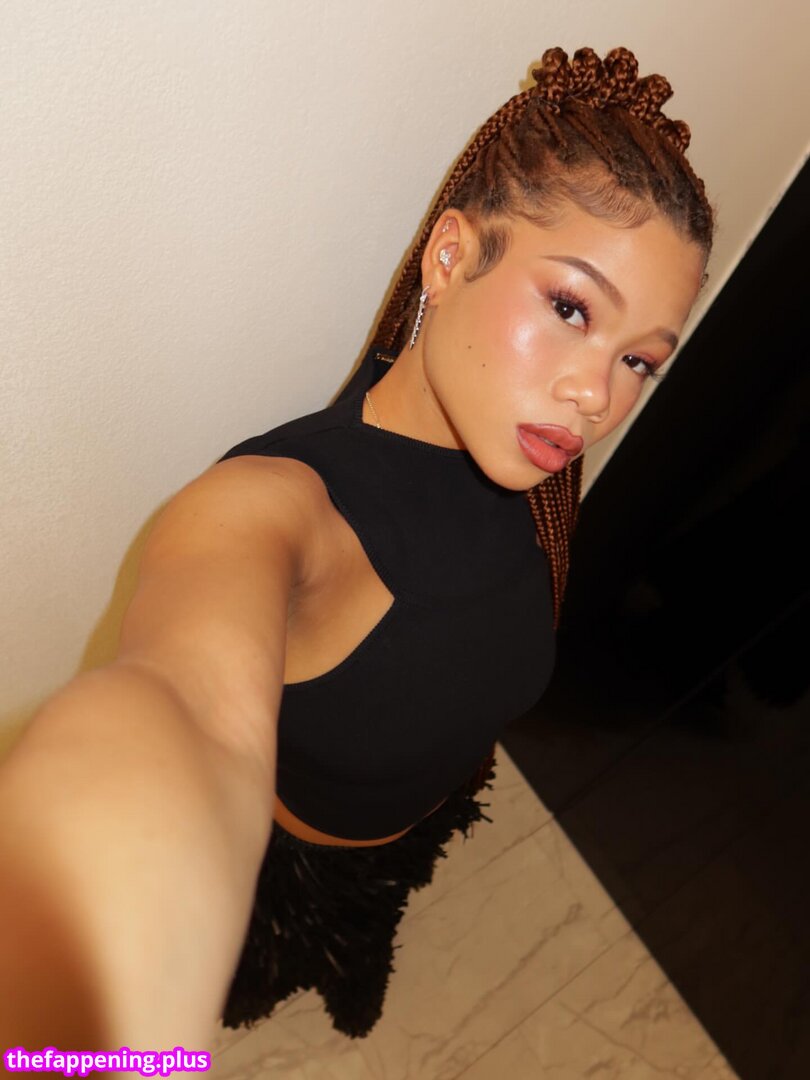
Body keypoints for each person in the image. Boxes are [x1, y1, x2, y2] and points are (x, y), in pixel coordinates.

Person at [0, 45, 714, 1054]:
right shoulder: (275, 509)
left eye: (639, 358)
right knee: (268, 974)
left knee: (371, 937)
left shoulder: (537, 479)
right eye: (569, 309)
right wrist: (79, 975)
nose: (597, 394)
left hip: (421, 825)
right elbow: (183, 710)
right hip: (287, 870)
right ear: (451, 257)